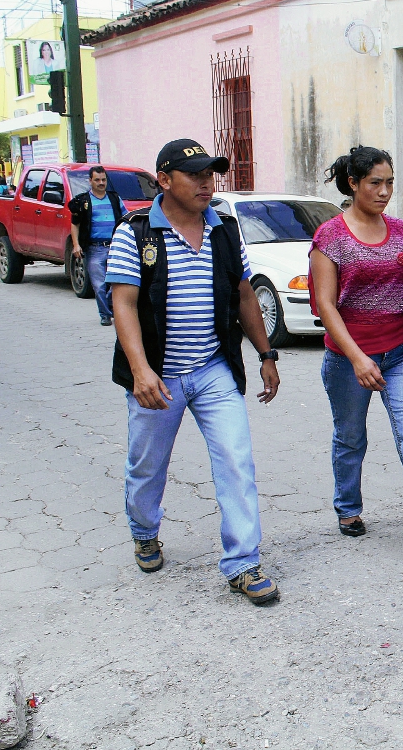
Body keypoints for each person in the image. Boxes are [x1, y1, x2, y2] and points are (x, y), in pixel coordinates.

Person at [105, 138, 281, 605]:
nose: (207, 183)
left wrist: (266, 354)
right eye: (195, 175)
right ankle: (145, 531)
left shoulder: (223, 228)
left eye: (211, 174)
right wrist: (141, 372)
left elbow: (244, 294)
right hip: (158, 376)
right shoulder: (136, 232)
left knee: (236, 460)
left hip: (212, 371)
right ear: (164, 180)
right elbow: (122, 303)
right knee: (147, 467)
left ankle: (243, 563)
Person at [309, 146, 403, 558]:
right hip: (347, 357)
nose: (384, 191)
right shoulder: (331, 236)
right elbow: (325, 305)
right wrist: (357, 357)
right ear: (353, 184)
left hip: (399, 355)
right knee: (351, 436)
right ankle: (348, 507)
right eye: (375, 182)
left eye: (390, 182)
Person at [70, 165, 127, 326]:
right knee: (99, 285)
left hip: (115, 247)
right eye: (97, 180)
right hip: (94, 249)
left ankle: (112, 308)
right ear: (90, 181)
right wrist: (76, 245)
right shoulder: (83, 201)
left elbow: (126, 219)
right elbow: (75, 224)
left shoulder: (115, 199)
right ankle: (105, 315)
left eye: (103, 179)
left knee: (116, 283)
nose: (101, 183)